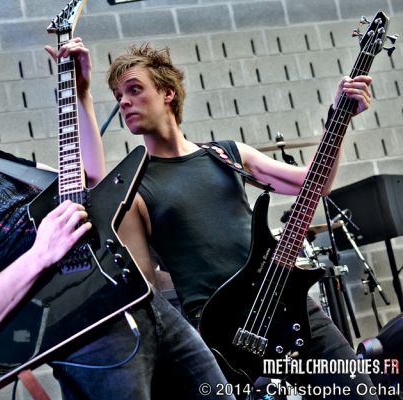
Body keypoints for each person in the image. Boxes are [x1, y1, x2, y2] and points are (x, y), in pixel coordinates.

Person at [0, 40, 234, 399]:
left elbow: (87, 181)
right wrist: (40, 254)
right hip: (90, 339)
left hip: (146, 304)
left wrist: (81, 94)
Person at [102, 43, 379, 399]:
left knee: (358, 392)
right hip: (220, 336)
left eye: (134, 89)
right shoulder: (134, 189)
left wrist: (337, 119)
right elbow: (145, 290)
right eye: (118, 96)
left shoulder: (226, 154)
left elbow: (313, 183)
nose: (124, 102)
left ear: (167, 92)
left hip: (285, 303)